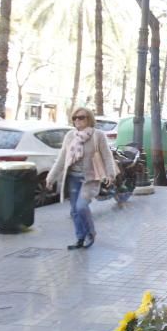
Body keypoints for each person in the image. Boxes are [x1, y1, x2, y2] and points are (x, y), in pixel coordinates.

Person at [47, 107, 116, 250]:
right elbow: (62, 158)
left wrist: (110, 174)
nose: (77, 120)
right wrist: (51, 177)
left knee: (81, 206)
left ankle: (91, 232)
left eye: (81, 117)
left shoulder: (98, 135)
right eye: (75, 118)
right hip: (72, 178)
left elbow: (107, 156)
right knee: (74, 210)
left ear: (89, 119)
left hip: (89, 179)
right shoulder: (70, 136)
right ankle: (80, 238)